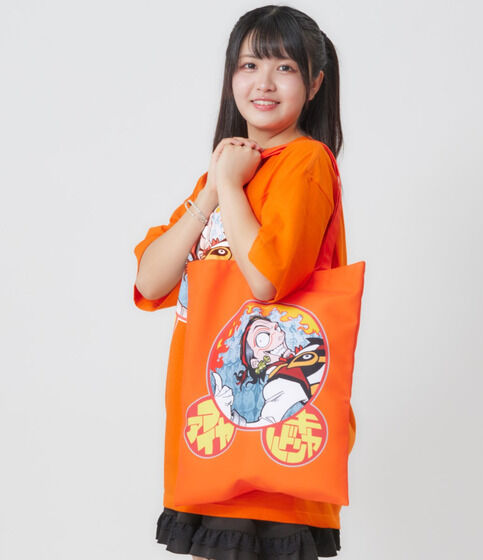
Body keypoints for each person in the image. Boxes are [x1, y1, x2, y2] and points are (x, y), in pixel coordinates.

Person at [133, 5, 355, 559]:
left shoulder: (305, 162)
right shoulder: (226, 172)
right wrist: (213, 189)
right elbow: (151, 279)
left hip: (269, 450)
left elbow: (264, 280)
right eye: (249, 64)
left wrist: (229, 188)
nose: (263, 83)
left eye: (285, 68)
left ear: (315, 83)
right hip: (208, 434)